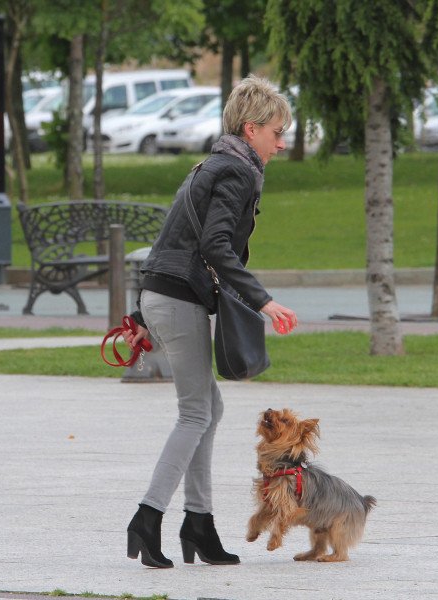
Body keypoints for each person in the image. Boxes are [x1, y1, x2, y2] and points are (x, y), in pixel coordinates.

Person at [123, 74, 298, 569]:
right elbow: (214, 245)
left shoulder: (211, 164)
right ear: (250, 128)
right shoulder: (236, 172)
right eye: (275, 132)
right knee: (196, 413)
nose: (281, 143)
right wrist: (262, 300)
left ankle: (198, 523)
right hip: (176, 301)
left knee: (208, 409)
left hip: (165, 297)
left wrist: (140, 313)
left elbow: (171, 238)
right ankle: (147, 515)